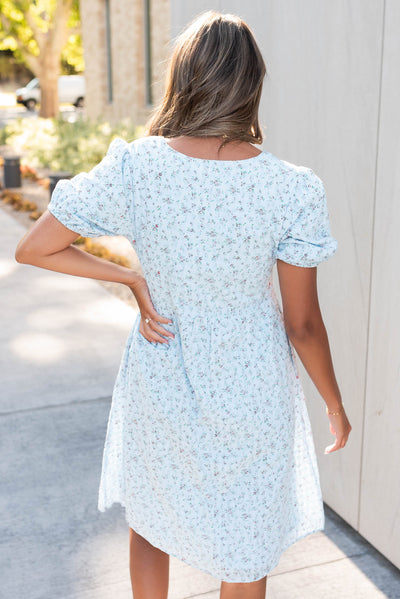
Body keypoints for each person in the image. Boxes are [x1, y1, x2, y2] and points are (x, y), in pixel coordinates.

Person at [14, 9, 352, 599]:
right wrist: (334, 402)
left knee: (152, 518)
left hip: (162, 364)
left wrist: (129, 278)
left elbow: (36, 247)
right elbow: (301, 324)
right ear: (252, 86)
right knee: (245, 547)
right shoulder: (293, 187)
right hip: (252, 384)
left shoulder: (138, 166)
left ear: (184, 78)